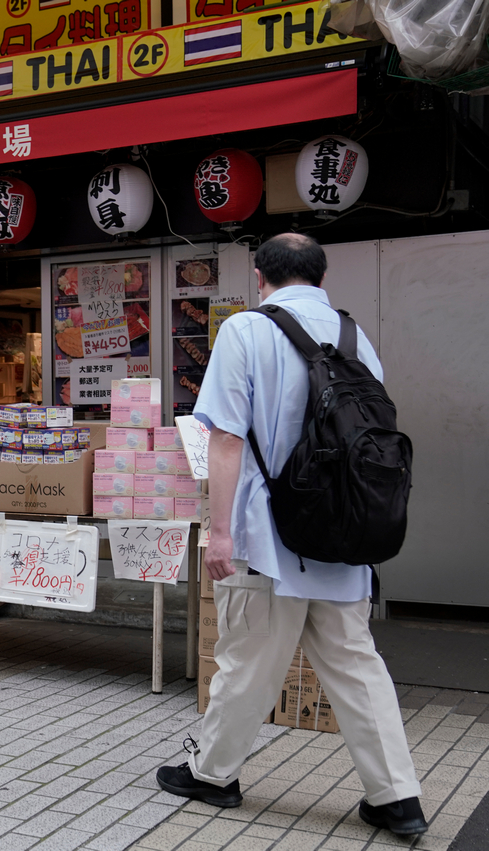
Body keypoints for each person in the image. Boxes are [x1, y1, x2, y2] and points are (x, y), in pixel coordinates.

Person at [155, 233, 426, 837]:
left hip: (271, 537)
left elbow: (225, 438)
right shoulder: (356, 337)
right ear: (320, 275)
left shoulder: (246, 331)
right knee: (357, 666)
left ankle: (214, 774)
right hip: (342, 535)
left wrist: (217, 533)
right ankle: (397, 797)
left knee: (248, 657)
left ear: (261, 277)